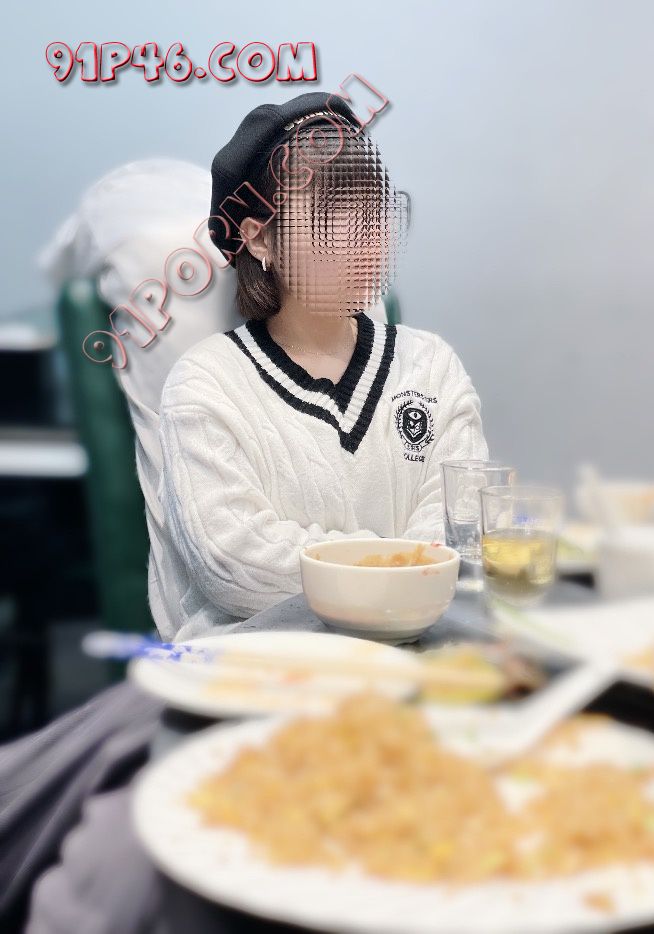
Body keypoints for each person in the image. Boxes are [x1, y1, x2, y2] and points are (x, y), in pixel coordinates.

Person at [154, 90, 489, 642]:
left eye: (376, 208)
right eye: (335, 212)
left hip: (417, 656)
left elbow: (461, 527)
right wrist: (401, 569)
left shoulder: (431, 366)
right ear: (259, 238)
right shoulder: (207, 382)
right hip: (263, 668)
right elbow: (232, 563)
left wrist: (368, 575)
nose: (368, 234)